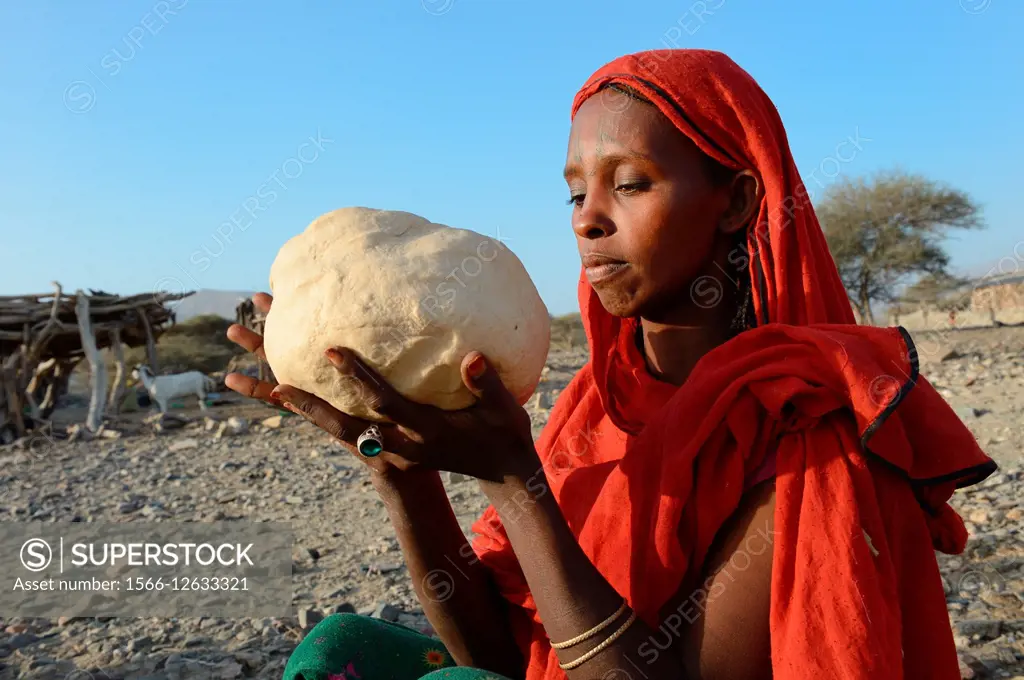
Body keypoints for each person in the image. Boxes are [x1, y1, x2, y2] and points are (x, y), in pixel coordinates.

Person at [226, 49, 997, 680]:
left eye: (630, 184)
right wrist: (399, 470)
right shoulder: (596, 409)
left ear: (734, 202)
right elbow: (496, 654)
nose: (589, 218)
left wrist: (512, 483)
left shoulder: (810, 430)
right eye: (574, 194)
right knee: (336, 654)